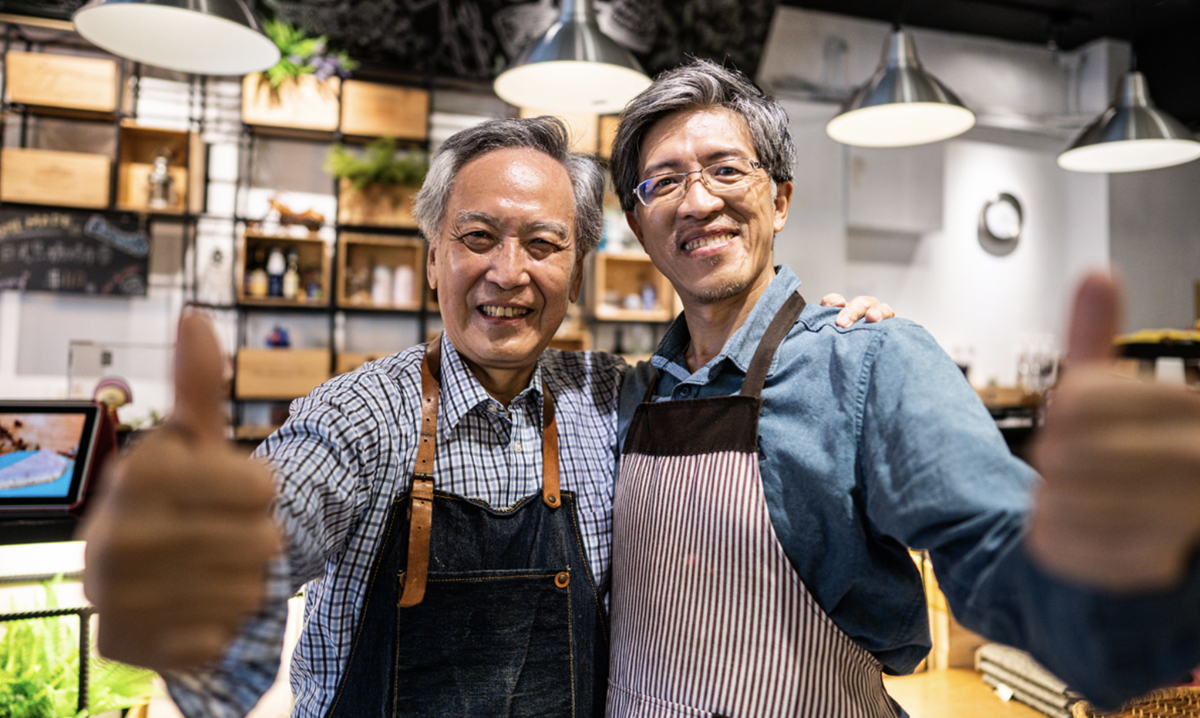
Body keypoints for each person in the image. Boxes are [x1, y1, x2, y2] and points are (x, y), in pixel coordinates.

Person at [79, 116, 890, 718]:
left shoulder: (618, 400)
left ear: (574, 272)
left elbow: (734, 377)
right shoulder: (362, 415)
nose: (509, 273)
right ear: (432, 254)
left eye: (542, 243)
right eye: (477, 237)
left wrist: (826, 342)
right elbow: (279, 509)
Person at [603, 58, 1200, 717]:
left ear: (780, 200)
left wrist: (1121, 568)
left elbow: (994, 544)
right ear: (637, 224)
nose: (697, 201)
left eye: (725, 168)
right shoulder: (629, 397)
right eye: (663, 182)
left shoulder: (869, 362)